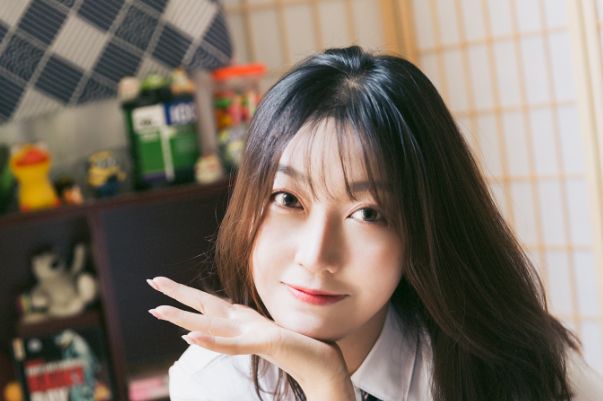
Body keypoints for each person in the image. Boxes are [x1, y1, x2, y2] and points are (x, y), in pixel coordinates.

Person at [146, 46, 603, 400]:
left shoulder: (516, 365)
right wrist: (324, 380)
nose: (316, 256)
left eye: (367, 213)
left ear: (423, 231)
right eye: (287, 199)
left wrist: (326, 381)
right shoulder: (214, 383)